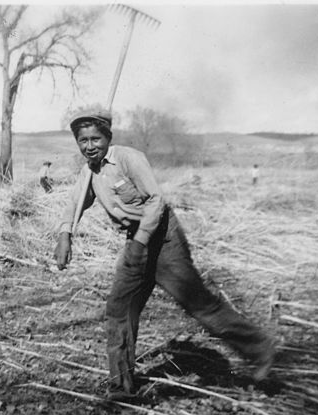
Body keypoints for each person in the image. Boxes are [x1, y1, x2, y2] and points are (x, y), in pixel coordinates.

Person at [53, 110, 275, 397]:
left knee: (198, 304)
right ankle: (122, 386)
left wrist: (140, 242)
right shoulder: (89, 173)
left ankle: (260, 348)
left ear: (109, 138)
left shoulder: (129, 159)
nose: (90, 146)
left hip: (162, 239)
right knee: (120, 309)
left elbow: (156, 201)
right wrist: (64, 234)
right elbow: (74, 203)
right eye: (83, 140)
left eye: (96, 138)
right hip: (136, 241)